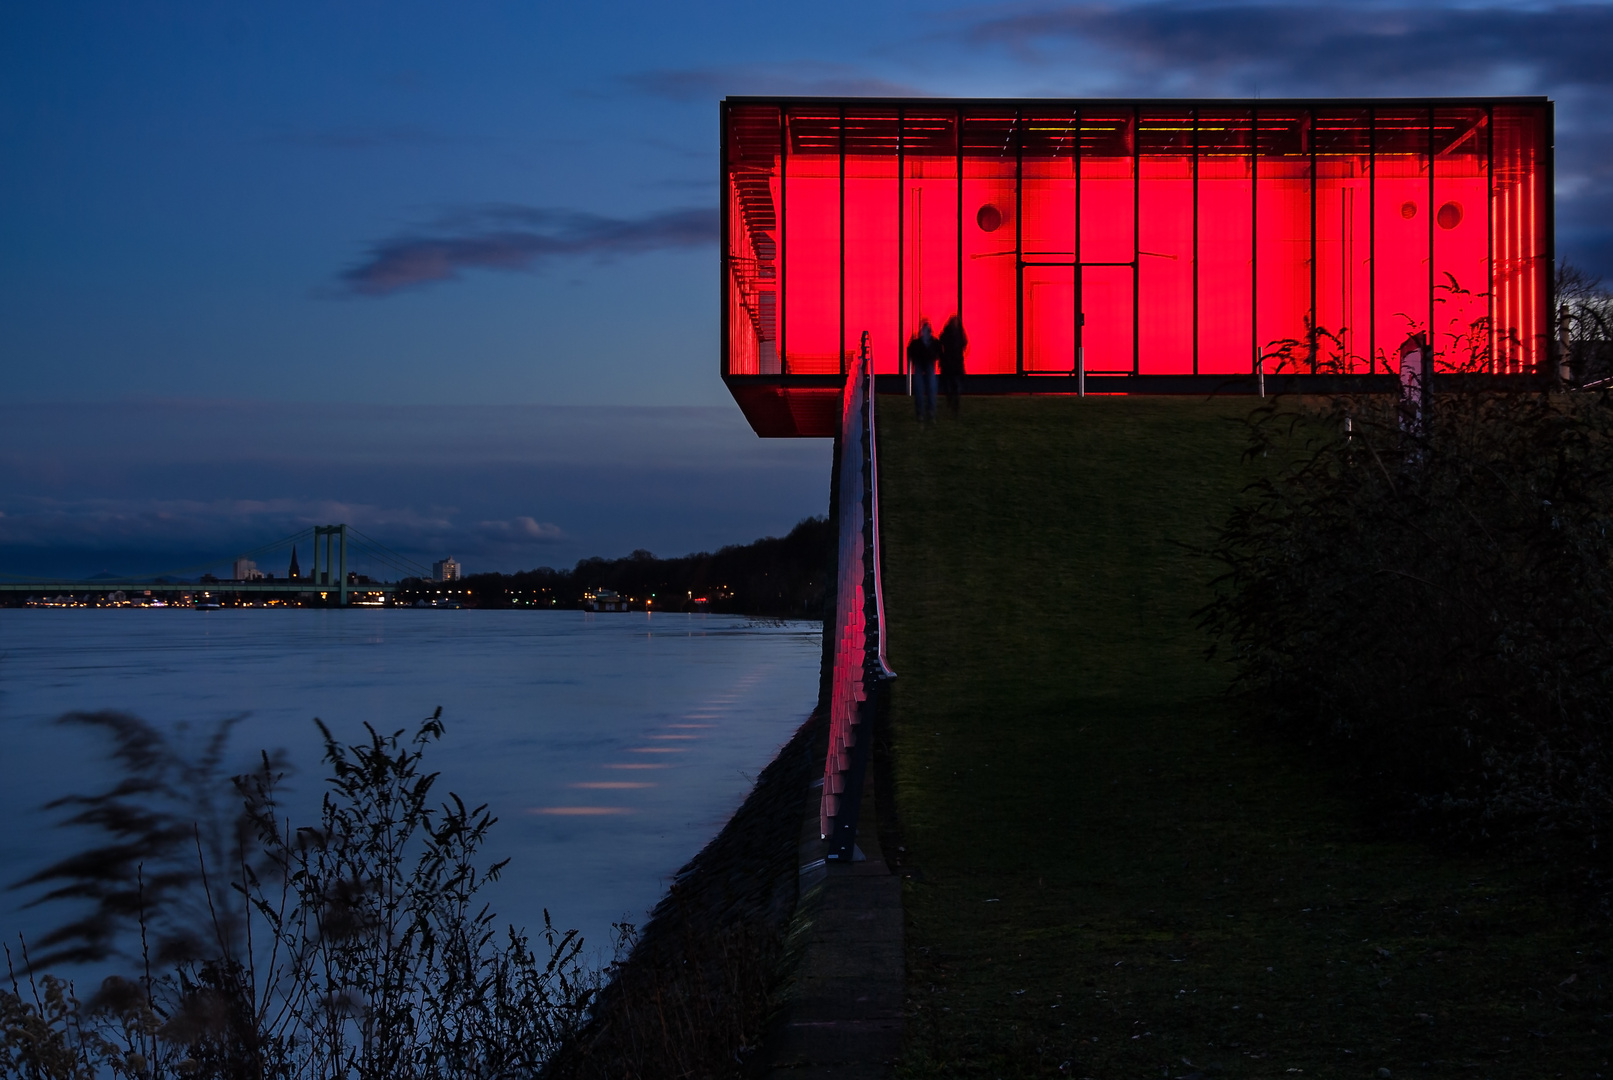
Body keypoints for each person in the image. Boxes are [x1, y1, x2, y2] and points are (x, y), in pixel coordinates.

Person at [907, 319, 941, 422]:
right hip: (923, 365)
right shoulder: (929, 342)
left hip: (924, 365)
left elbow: (911, 351)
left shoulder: (920, 342)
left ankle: (927, 413)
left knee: (928, 389)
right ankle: (925, 413)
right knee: (923, 389)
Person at [939, 314, 967, 416]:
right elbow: (964, 345)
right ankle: (955, 406)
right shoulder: (960, 334)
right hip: (956, 365)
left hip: (949, 365)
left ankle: (952, 403)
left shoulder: (945, 334)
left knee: (950, 386)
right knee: (955, 387)